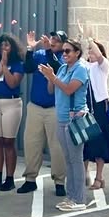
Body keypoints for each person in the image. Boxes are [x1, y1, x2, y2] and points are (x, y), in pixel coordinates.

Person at [38, 37, 89, 212]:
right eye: (63, 51)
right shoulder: (62, 68)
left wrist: (53, 77)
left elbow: (68, 89)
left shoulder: (80, 69)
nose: (64, 54)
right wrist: (49, 78)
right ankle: (71, 196)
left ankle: (79, 199)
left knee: (76, 159)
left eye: (68, 51)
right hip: (61, 118)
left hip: (75, 118)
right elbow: (51, 90)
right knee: (68, 159)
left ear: (77, 53)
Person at [18, 30, 67, 197]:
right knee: (32, 144)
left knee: (57, 147)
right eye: (52, 38)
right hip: (36, 106)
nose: (53, 41)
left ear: (63, 44)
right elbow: (27, 68)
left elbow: (58, 70)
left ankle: (59, 182)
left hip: (55, 108)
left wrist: (48, 51)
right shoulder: (39, 54)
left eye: (57, 40)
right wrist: (30, 49)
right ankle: (30, 179)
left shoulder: (63, 57)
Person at [0, 34, 25, 192]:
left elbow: (13, 83)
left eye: (7, 45)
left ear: (12, 47)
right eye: (1, 45)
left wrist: (5, 67)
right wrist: (0, 67)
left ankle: (9, 178)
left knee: (8, 141)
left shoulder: (17, 64)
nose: (4, 48)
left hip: (12, 103)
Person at [82, 38, 109, 190]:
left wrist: (90, 40)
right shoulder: (84, 66)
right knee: (84, 142)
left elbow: (98, 55)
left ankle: (99, 177)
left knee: (99, 143)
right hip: (84, 107)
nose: (90, 52)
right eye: (89, 50)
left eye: (93, 50)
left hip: (98, 108)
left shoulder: (103, 66)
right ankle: (84, 174)